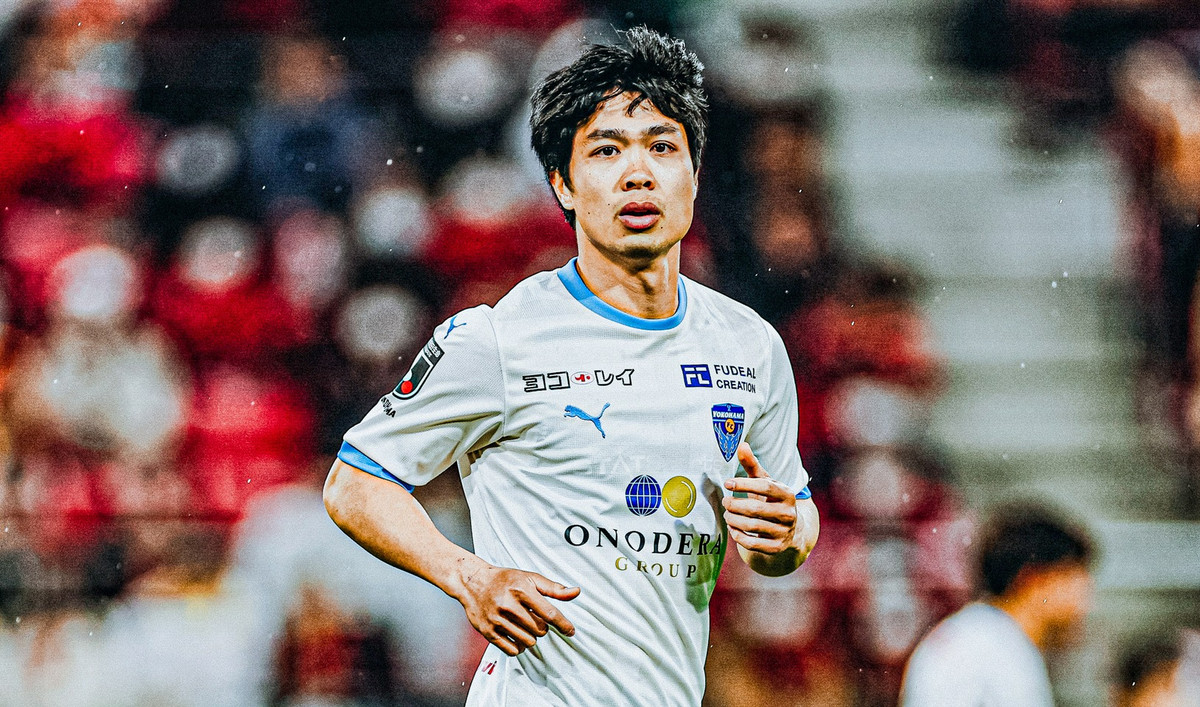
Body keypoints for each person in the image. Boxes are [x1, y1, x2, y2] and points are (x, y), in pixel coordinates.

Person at [323, 26, 820, 706]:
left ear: (695, 175)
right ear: (563, 183)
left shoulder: (749, 345)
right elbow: (354, 484)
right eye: (607, 150)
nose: (638, 172)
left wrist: (784, 538)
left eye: (662, 147)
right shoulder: (499, 340)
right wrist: (469, 577)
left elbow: (791, 519)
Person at [899, 503, 1096, 706]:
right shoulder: (1003, 650)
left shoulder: (978, 633)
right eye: (1074, 577)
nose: (1085, 601)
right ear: (1034, 580)